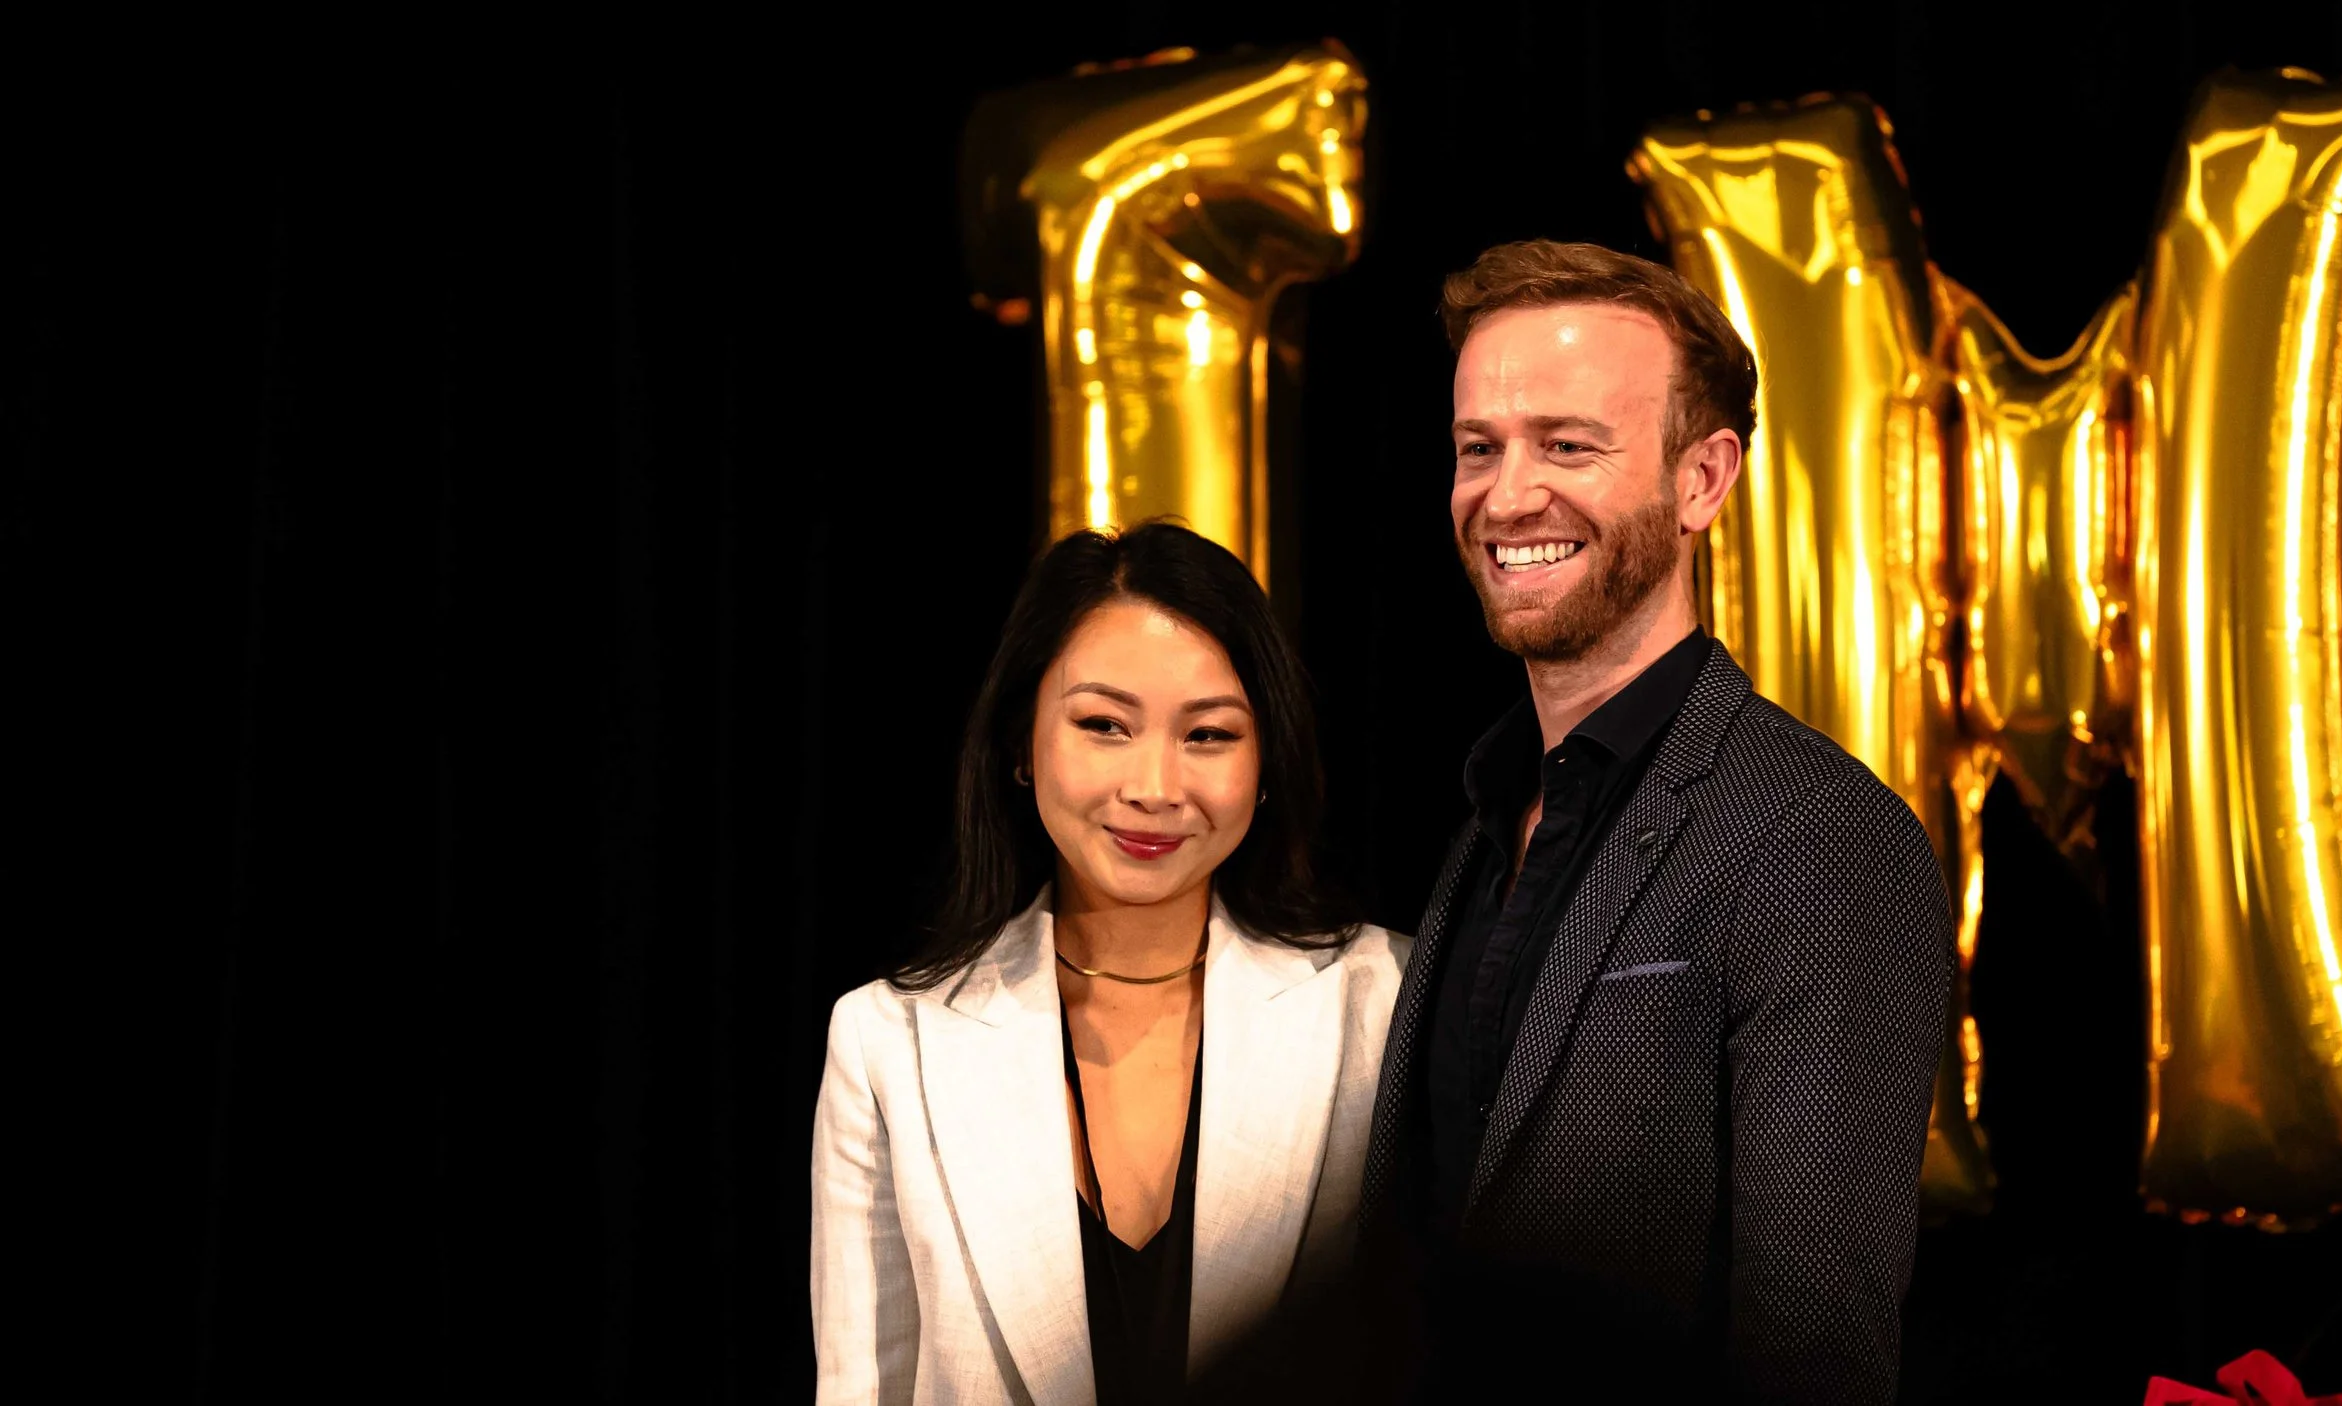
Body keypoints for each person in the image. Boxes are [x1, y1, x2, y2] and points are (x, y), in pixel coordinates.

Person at [1358, 239, 1955, 1403]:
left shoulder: (1818, 837)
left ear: (1703, 480)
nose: (1508, 492)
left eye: (1568, 443)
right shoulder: (1486, 820)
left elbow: (1813, 1356)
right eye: (1478, 447)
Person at [810, 522, 1408, 1405]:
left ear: (1268, 760)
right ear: (1023, 742)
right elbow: (867, 1386)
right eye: (1103, 725)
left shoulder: (1383, 1000)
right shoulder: (890, 1042)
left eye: (1207, 735)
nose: (1155, 786)